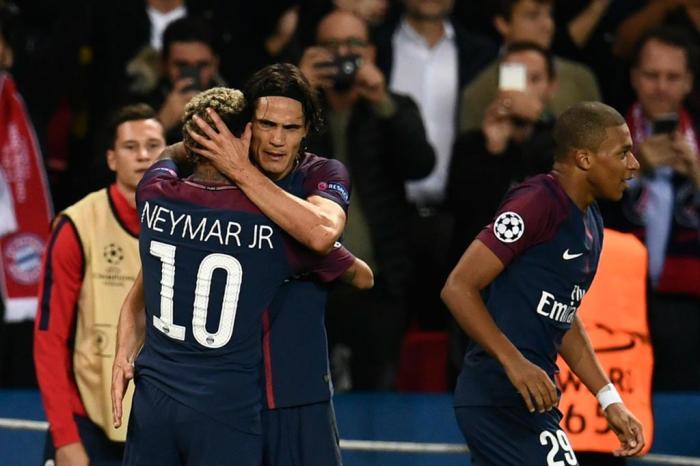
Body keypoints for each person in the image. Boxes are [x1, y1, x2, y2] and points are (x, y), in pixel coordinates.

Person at [111, 87, 359, 466]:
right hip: (223, 405)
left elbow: (164, 155)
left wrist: (200, 136)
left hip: (153, 401)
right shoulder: (270, 227)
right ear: (246, 135)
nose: (276, 139)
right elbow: (359, 273)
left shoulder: (153, 193)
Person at [441, 101, 645, 465]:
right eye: (623, 153)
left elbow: (562, 318)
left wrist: (608, 398)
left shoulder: (591, 221)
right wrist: (514, 362)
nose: (634, 165)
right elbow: (458, 287)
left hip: (535, 401)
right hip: (497, 397)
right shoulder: (535, 204)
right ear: (584, 158)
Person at [297, 9, 436, 388]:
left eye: (354, 45)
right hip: (306, 282)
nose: (343, 54)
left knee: (377, 393)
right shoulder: (295, 112)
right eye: (331, 46)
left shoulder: (394, 108)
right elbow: (268, 163)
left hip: (378, 282)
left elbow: (421, 164)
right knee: (305, 389)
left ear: (372, 54)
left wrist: (382, 101)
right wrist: (298, 93)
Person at [33, 104, 165, 466]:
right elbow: (49, 337)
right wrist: (65, 437)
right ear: (111, 158)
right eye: (130, 146)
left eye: (153, 145)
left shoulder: (188, 225)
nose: (142, 155)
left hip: (161, 424)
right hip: (86, 422)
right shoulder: (77, 226)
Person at [604, 27, 700, 391]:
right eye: (651, 75)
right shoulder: (603, 136)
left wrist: (697, 174)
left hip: (688, 306)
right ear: (634, 78)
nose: (662, 86)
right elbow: (577, 206)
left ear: (689, 82)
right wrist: (636, 166)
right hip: (617, 301)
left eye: (673, 77)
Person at [459, 0, 601, 133]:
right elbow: (470, 155)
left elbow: (599, 147)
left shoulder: (581, 78)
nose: (548, 25)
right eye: (533, 16)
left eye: (550, 14)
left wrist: (541, 118)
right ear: (503, 24)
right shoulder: (478, 89)